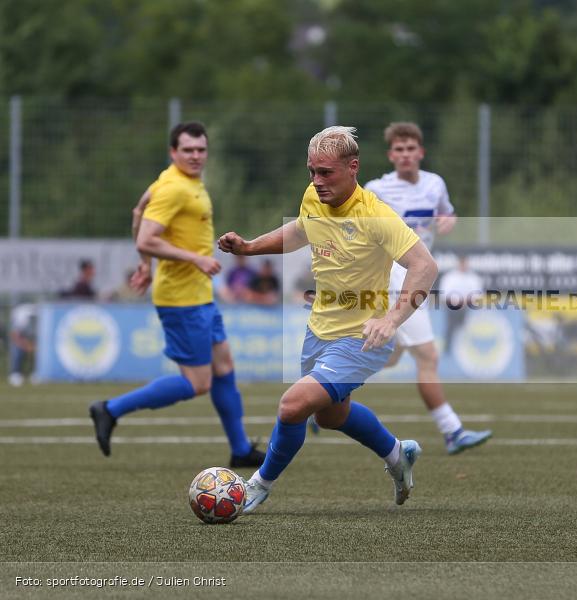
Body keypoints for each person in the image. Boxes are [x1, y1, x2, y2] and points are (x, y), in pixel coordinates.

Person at [217, 125, 438, 511]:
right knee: (333, 416)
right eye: (312, 172)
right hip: (320, 329)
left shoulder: (376, 216)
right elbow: (303, 230)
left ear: (353, 167)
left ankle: (257, 484)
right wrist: (251, 248)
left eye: (326, 173)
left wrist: (391, 319)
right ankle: (396, 454)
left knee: (292, 406)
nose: (317, 182)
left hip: (363, 337)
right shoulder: (313, 197)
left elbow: (425, 266)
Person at [89, 122, 265, 469]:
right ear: (173, 152)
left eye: (201, 150)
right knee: (197, 383)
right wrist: (195, 258)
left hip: (199, 295)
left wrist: (145, 266)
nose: (196, 156)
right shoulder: (173, 188)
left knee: (224, 366)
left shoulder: (178, 182)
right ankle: (110, 410)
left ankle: (240, 449)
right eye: (188, 150)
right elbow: (146, 238)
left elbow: (138, 212)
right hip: (181, 299)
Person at [364, 122, 492, 455]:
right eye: (399, 150)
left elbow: (447, 215)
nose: (405, 155)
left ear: (420, 152)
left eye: (411, 149)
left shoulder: (435, 184)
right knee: (428, 355)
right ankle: (453, 431)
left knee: (390, 356)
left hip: (419, 273)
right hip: (393, 273)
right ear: (391, 155)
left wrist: (450, 220)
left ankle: (329, 398)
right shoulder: (377, 189)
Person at [440, 253, 484, 354]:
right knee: (451, 326)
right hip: (452, 307)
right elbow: (444, 294)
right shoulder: (450, 277)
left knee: (469, 325)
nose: (464, 265)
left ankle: (470, 349)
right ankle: (448, 350)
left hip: (469, 307)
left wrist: (465, 301)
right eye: (462, 263)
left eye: (465, 263)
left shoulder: (473, 278)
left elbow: (477, 295)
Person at [8, 303, 37, 387]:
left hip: (30, 342)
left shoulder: (36, 323)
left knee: (39, 353)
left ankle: (35, 373)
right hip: (22, 342)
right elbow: (15, 337)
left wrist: (33, 346)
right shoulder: (21, 323)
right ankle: (15, 373)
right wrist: (26, 345)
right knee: (16, 351)